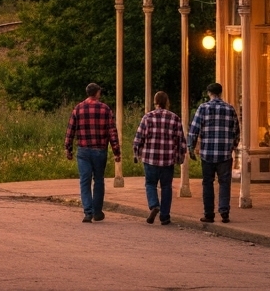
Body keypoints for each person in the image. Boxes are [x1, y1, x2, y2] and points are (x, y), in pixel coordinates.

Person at [64, 82, 121, 223]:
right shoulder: (105, 109)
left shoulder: (78, 109)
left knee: (85, 181)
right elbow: (112, 132)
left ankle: (88, 211)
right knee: (99, 180)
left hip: (83, 151)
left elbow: (70, 130)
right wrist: (116, 152)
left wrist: (68, 148)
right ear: (97, 93)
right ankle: (97, 211)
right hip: (100, 151)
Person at [187, 82, 239, 223]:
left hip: (207, 153)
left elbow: (194, 129)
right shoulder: (230, 109)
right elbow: (236, 132)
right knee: (224, 183)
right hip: (225, 154)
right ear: (221, 93)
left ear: (209, 93)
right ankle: (224, 211)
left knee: (207, 183)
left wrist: (190, 147)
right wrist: (232, 146)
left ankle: (209, 214)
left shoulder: (203, 108)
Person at [133, 91, 186, 225]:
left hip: (150, 158)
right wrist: (180, 156)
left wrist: (137, 153)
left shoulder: (147, 117)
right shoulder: (174, 118)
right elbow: (180, 140)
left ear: (155, 102)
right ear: (167, 102)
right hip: (168, 159)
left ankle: (154, 205)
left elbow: (139, 138)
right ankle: (165, 216)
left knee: (150, 184)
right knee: (166, 187)